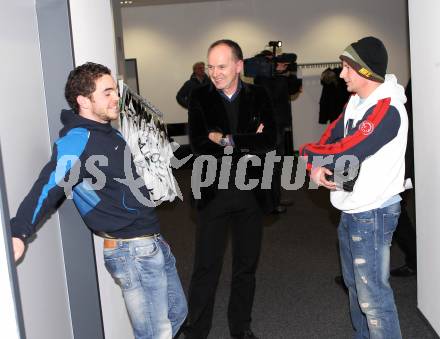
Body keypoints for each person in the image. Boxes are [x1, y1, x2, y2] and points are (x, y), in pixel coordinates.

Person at [10, 62, 187, 339]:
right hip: (132, 251)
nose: (116, 97)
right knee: (156, 333)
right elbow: (48, 185)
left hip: (150, 239)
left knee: (177, 312)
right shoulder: (78, 139)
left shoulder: (109, 131)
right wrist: (19, 231)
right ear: (83, 100)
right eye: (107, 93)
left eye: (115, 91)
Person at [300, 36, 408, 338]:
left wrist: (308, 157)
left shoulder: (387, 110)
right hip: (352, 208)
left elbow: (346, 150)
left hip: (373, 214)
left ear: (366, 72)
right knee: (356, 291)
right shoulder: (356, 102)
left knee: (373, 298)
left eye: (348, 68)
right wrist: (314, 161)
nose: (342, 74)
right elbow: (328, 140)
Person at [184, 39, 276, 339]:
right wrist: (248, 139)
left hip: (251, 194)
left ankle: (241, 327)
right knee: (205, 268)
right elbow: (198, 144)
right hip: (214, 194)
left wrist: (226, 140)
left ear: (239, 66)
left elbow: (271, 140)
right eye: (210, 66)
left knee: (245, 268)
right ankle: (197, 331)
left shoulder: (259, 94)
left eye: (221, 66)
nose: (215, 73)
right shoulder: (199, 97)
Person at [254, 50, 302, 214]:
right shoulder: (261, 79)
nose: (276, 64)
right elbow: (271, 95)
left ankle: (275, 199)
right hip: (269, 129)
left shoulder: (277, 78)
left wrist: (290, 72)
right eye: (272, 62)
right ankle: (269, 204)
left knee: (276, 166)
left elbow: (294, 88)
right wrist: (278, 73)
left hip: (278, 127)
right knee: (270, 166)